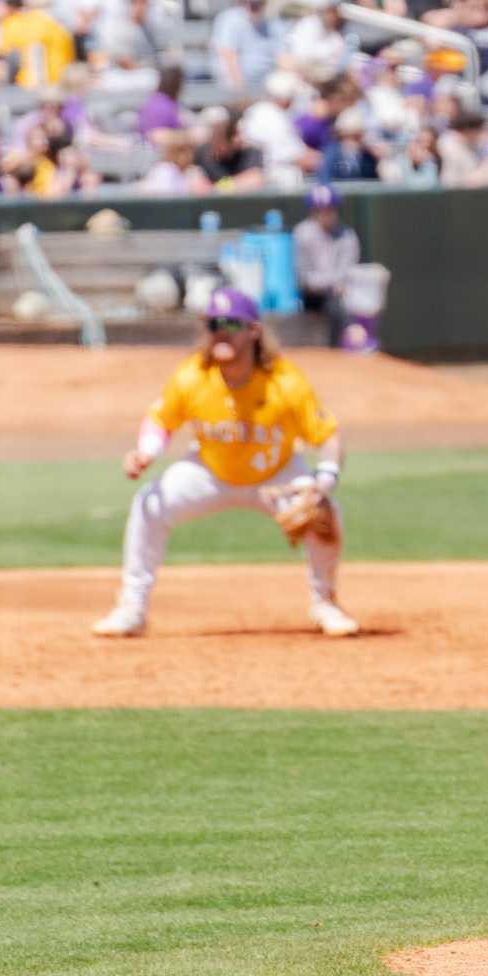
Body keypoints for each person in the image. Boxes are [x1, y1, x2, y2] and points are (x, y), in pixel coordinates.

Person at [92, 287, 360, 640]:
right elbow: (161, 420)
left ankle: (325, 602)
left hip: (275, 475)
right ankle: (132, 609)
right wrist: (147, 451)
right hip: (211, 473)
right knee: (148, 504)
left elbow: (327, 436)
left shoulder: (285, 382)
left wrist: (323, 480)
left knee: (325, 512)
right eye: (213, 323)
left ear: (253, 331)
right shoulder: (193, 376)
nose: (220, 331)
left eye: (231, 323)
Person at [293, 184, 360, 344]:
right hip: (309, 296)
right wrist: (332, 282)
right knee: (333, 301)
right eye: (320, 210)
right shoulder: (302, 233)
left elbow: (348, 272)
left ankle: (355, 341)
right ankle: (345, 341)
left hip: (340, 294)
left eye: (329, 209)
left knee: (354, 297)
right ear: (313, 212)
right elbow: (304, 279)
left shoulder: (347, 236)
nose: (325, 214)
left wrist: (336, 283)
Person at [211, 0, 278, 94]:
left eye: (257, 3)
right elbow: (228, 55)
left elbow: (282, 57)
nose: (250, 6)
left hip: (268, 84)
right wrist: (242, 90)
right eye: (245, 2)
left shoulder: (272, 23)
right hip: (237, 84)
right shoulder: (230, 20)